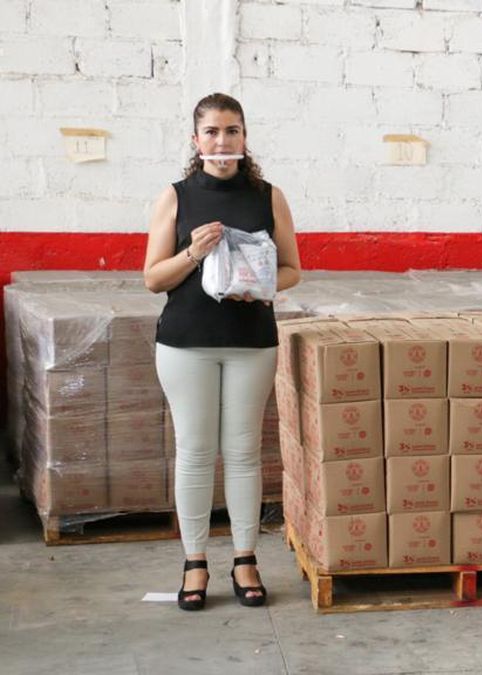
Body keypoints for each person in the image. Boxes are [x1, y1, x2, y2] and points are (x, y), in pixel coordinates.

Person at [143, 93, 302, 610]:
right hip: (185, 341)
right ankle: (194, 562)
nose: (222, 140)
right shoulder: (175, 197)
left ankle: (244, 557)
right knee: (194, 451)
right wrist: (194, 251)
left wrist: (258, 286)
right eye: (211, 131)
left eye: (232, 130)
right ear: (196, 140)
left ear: (244, 137)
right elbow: (153, 279)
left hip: (251, 341)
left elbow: (292, 270)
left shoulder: (268, 197)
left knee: (243, 452)